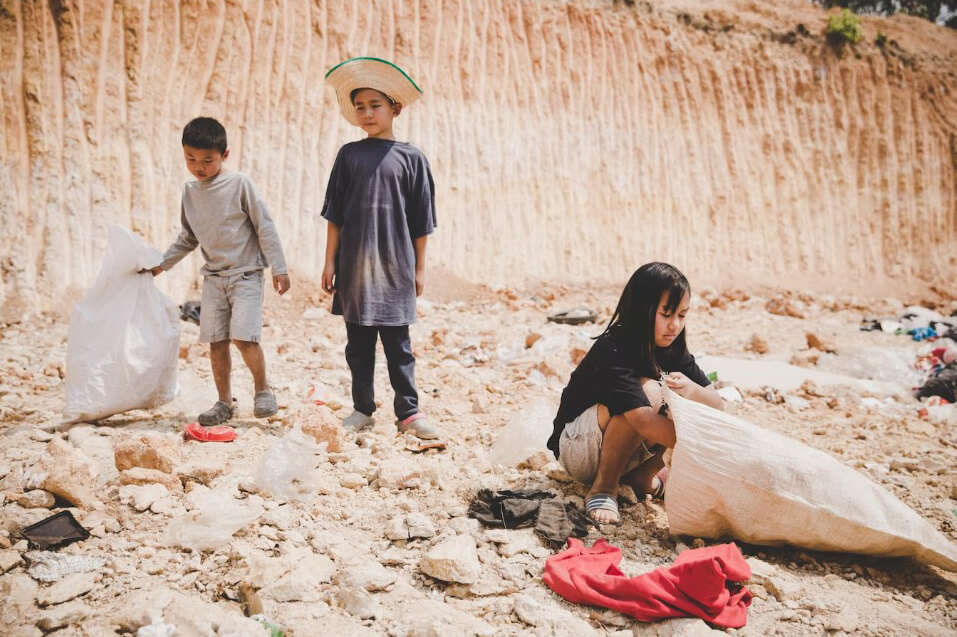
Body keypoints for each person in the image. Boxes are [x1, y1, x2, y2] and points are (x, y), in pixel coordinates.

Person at [546, 263, 723, 524]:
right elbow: (642, 420)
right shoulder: (613, 348)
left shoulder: (672, 349)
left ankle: (642, 478)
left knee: (683, 403)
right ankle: (604, 488)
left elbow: (716, 405)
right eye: (666, 314)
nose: (675, 325)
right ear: (642, 309)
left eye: (682, 315)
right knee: (649, 392)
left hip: (625, 452)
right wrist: (706, 448)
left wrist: (691, 389)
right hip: (578, 449)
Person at [320, 57, 438, 439]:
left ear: (395, 108)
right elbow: (335, 215)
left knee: (399, 347)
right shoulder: (348, 156)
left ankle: (409, 412)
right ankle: (362, 409)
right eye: (360, 107)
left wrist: (420, 268)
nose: (367, 113)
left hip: (396, 268)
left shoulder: (412, 158)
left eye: (375, 105)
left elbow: (421, 222)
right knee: (358, 346)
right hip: (354, 269)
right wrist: (329, 262)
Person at [150, 117, 290, 425]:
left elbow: (264, 226)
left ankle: (263, 390)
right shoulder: (190, 192)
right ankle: (224, 402)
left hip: (246, 274)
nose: (198, 167)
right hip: (213, 278)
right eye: (190, 159)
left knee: (244, 337)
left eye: (207, 160)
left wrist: (279, 268)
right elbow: (188, 238)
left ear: (224, 155)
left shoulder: (240, 184)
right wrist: (161, 264)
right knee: (216, 341)